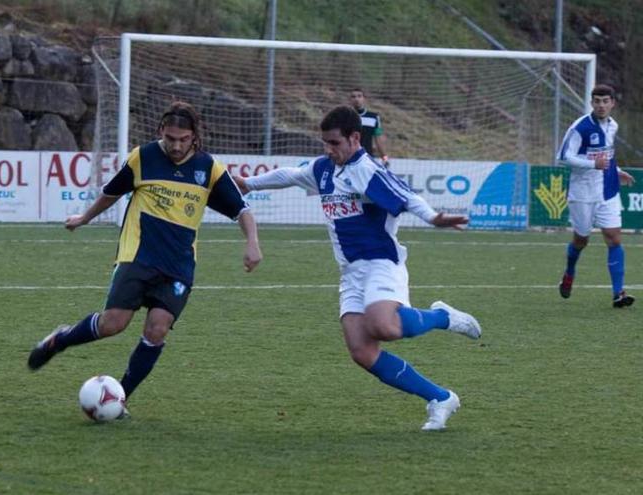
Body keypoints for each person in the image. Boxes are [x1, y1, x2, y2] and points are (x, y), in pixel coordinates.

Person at [233, 106, 481, 431]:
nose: (328, 150)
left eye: (334, 143)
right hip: (350, 272)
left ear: (354, 138)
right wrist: (249, 184)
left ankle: (443, 317)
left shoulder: (367, 171)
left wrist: (434, 218)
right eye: (324, 143)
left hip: (381, 262)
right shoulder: (323, 169)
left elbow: (406, 198)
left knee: (384, 326)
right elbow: (291, 175)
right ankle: (440, 398)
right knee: (362, 352)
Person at [27, 101, 262, 417]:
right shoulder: (144, 158)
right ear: (161, 131)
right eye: (170, 138)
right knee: (113, 324)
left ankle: (120, 399)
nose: (176, 146)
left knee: (157, 329)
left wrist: (252, 243)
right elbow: (111, 192)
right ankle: (62, 339)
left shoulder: (208, 169)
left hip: (178, 267)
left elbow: (242, 210)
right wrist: (84, 218)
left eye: (183, 140)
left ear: (195, 137)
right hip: (137, 256)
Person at [557, 84, 636, 308]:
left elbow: (607, 156)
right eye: (597, 101)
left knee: (614, 238)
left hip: (608, 189)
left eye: (605, 101)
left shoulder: (613, 126)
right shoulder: (580, 127)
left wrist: (617, 171)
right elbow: (563, 157)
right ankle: (569, 272)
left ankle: (618, 293)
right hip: (583, 193)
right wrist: (593, 164)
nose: (601, 105)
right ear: (592, 103)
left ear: (612, 103)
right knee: (581, 240)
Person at [349, 88, 390, 167]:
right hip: (349, 158)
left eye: (359, 96)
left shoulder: (374, 117)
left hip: (367, 158)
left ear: (364, 99)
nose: (356, 99)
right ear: (350, 100)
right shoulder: (345, 116)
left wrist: (385, 158)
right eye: (353, 97)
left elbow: (379, 140)